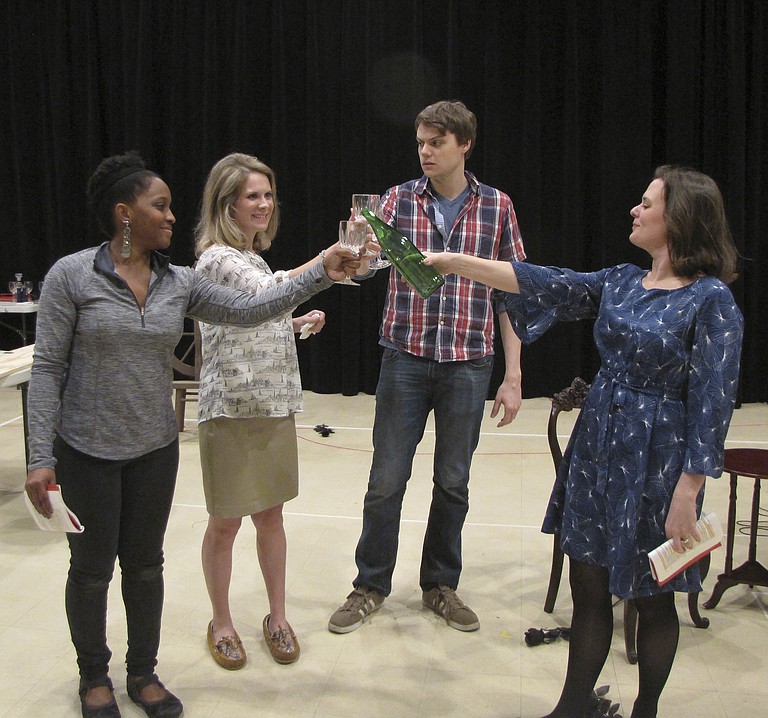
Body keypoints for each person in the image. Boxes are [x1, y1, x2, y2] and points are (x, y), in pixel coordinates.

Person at [24, 151, 360, 718]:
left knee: (146, 566)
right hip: (87, 449)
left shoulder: (177, 282)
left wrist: (322, 271)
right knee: (91, 570)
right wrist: (40, 455)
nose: (174, 217)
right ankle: (93, 677)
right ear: (124, 214)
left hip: (154, 447)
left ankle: (142, 672)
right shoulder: (71, 276)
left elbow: (256, 308)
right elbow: (49, 367)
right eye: (161, 207)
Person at [423, 165, 743, 717]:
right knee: (589, 586)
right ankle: (573, 706)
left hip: (659, 463)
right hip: (599, 447)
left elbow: (714, 404)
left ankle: (646, 710)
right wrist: (454, 263)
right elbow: (543, 280)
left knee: (652, 594)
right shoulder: (622, 280)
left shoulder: (711, 300)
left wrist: (689, 490)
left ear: (680, 218)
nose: (635, 211)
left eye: (647, 204)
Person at [328, 100, 526, 635]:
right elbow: (364, 271)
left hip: (468, 360)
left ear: (464, 144)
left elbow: (513, 292)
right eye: (420, 142)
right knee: (386, 479)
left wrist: (513, 375)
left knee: (453, 481)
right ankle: (370, 584)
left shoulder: (497, 207)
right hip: (405, 357)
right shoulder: (396, 200)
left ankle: (441, 584)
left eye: (436, 142)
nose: (425, 151)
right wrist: (357, 249)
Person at [195, 153, 340, 668]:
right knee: (226, 523)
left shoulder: (252, 258)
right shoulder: (215, 259)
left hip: (274, 403)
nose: (263, 203)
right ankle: (222, 622)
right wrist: (327, 260)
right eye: (252, 195)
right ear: (226, 202)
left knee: (271, 517)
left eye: (268, 194)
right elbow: (262, 295)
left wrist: (295, 323)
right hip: (230, 409)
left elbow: (259, 312)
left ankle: (277, 618)